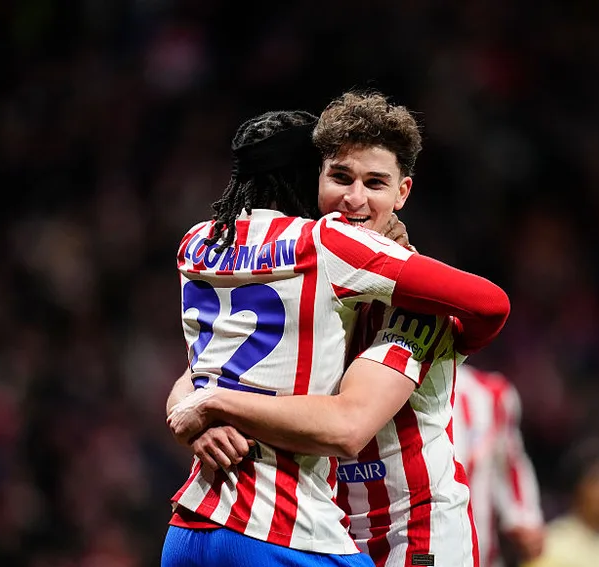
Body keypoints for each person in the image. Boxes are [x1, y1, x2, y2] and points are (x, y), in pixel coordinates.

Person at [162, 107, 510, 567]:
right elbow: (204, 372)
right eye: (340, 177)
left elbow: (348, 426)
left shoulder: (413, 303)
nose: (353, 198)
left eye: (375, 183)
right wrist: (198, 418)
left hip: (412, 534)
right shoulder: (306, 276)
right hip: (325, 524)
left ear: (402, 193)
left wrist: (215, 405)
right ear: (315, 179)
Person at [452, 365, 546, 567]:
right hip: (416, 550)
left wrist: (524, 518)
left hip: (482, 552)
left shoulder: (490, 393)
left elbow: (509, 461)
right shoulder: (390, 383)